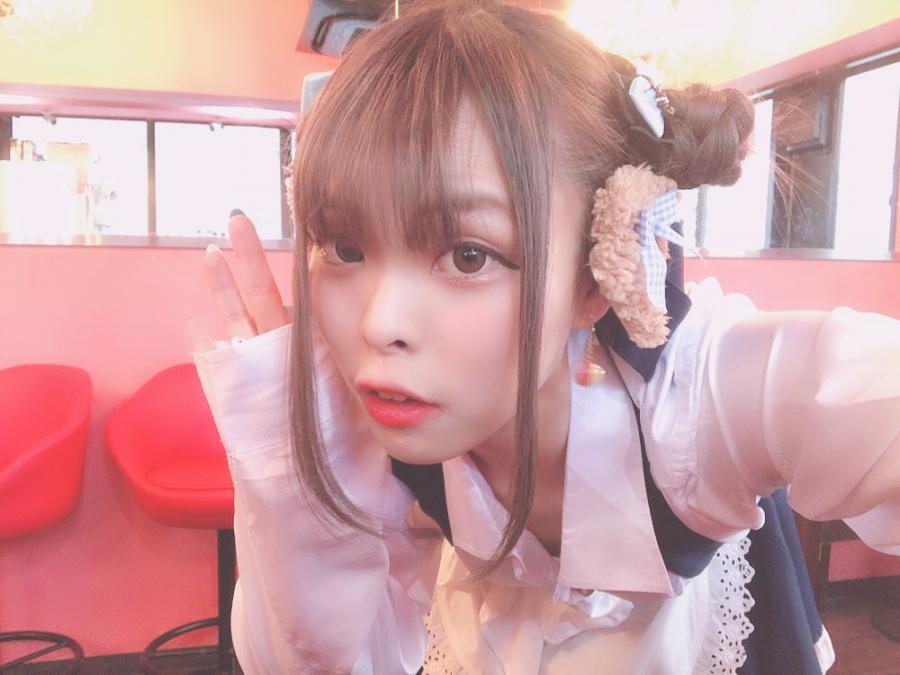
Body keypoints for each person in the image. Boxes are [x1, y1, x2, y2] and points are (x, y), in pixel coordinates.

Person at [187, 2, 900, 673]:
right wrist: (294, 476)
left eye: (469, 255)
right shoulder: (378, 423)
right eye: (344, 247)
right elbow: (334, 658)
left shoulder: (697, 397)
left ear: (596, 275)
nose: (379, 324)